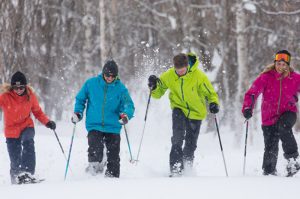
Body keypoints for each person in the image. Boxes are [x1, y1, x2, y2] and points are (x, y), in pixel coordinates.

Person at [148, 52, 219, 176]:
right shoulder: (169, 75)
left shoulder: (198, 76)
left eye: (182, 70)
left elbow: (210, 93)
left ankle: (187, 168)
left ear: (187, 66)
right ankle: (175, 169)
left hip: (196, 112)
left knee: (190, 144)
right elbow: (158, 94)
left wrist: (213, 103)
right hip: (178, 108)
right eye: (177, 70)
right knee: (177, 138)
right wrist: (153, 87)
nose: (180, 72)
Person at [72, 60, 135, 178]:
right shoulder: (91, 84)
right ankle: (93, 173)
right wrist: (78, 113)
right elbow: (80, 99)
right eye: (107, 75)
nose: (110, 78)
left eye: (113, 76)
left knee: (114, 156)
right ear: (103, 73)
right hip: (95, 124)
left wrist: (126, 115)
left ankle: (112, 179)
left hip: (113, 126)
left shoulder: (121, 89)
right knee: (95, 150)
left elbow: (128, 105)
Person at [242, 50, 300, 177]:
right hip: (269, 117)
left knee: (284, 127)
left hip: (288, 112)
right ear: (275, 63)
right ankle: (269, 173)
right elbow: (252, 93)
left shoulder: (295, 78)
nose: (281, 67)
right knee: (270, 145)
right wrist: (247, 108)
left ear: (288, 65)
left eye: (284, 64)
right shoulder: (266, 77)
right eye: (279, 64)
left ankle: (293, 160)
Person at [0, 71, 56, 184]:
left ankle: (28, 173)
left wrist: (47, 122)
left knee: (28, 142)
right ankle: (16, 176)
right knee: (15, 157)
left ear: (25, 86)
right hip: (11, 130)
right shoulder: (5, 97)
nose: (19, 90)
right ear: (12, 87)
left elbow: (37, 112)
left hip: (26, 126)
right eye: (16, 88)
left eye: (21, 87)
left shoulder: (30, 96)